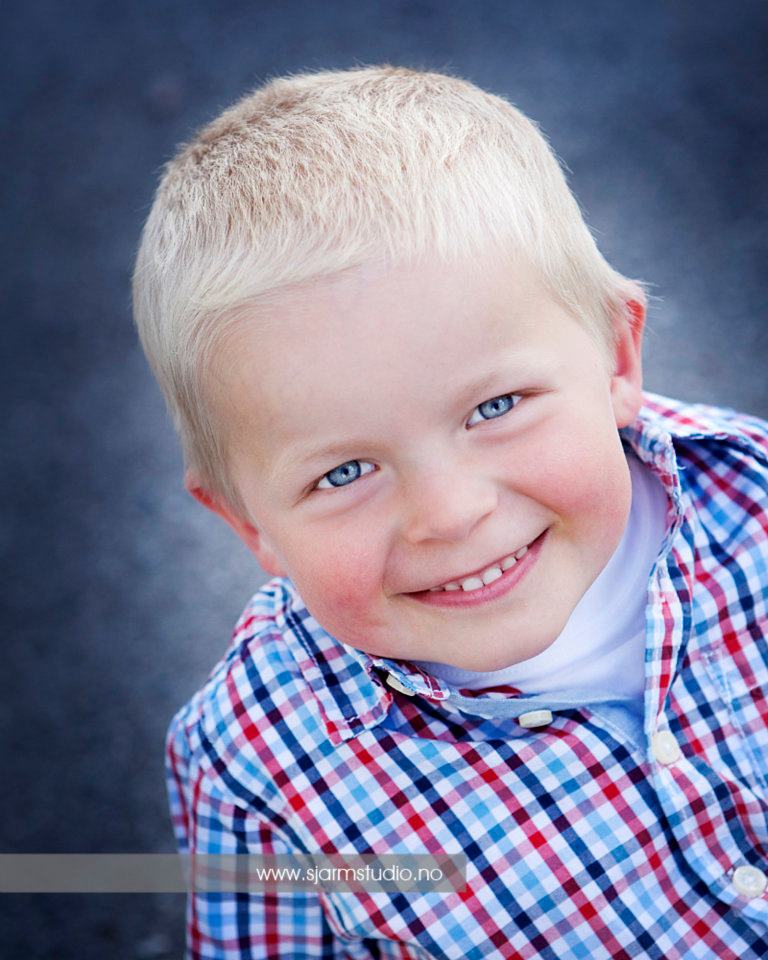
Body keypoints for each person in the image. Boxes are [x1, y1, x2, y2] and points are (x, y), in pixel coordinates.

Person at [132, 65, 768, 958]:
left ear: (618, 359)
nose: (450, 513)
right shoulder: (257, 761)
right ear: (248, 524)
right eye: (345, 472)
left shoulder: (755, 497)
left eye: (496, 407)